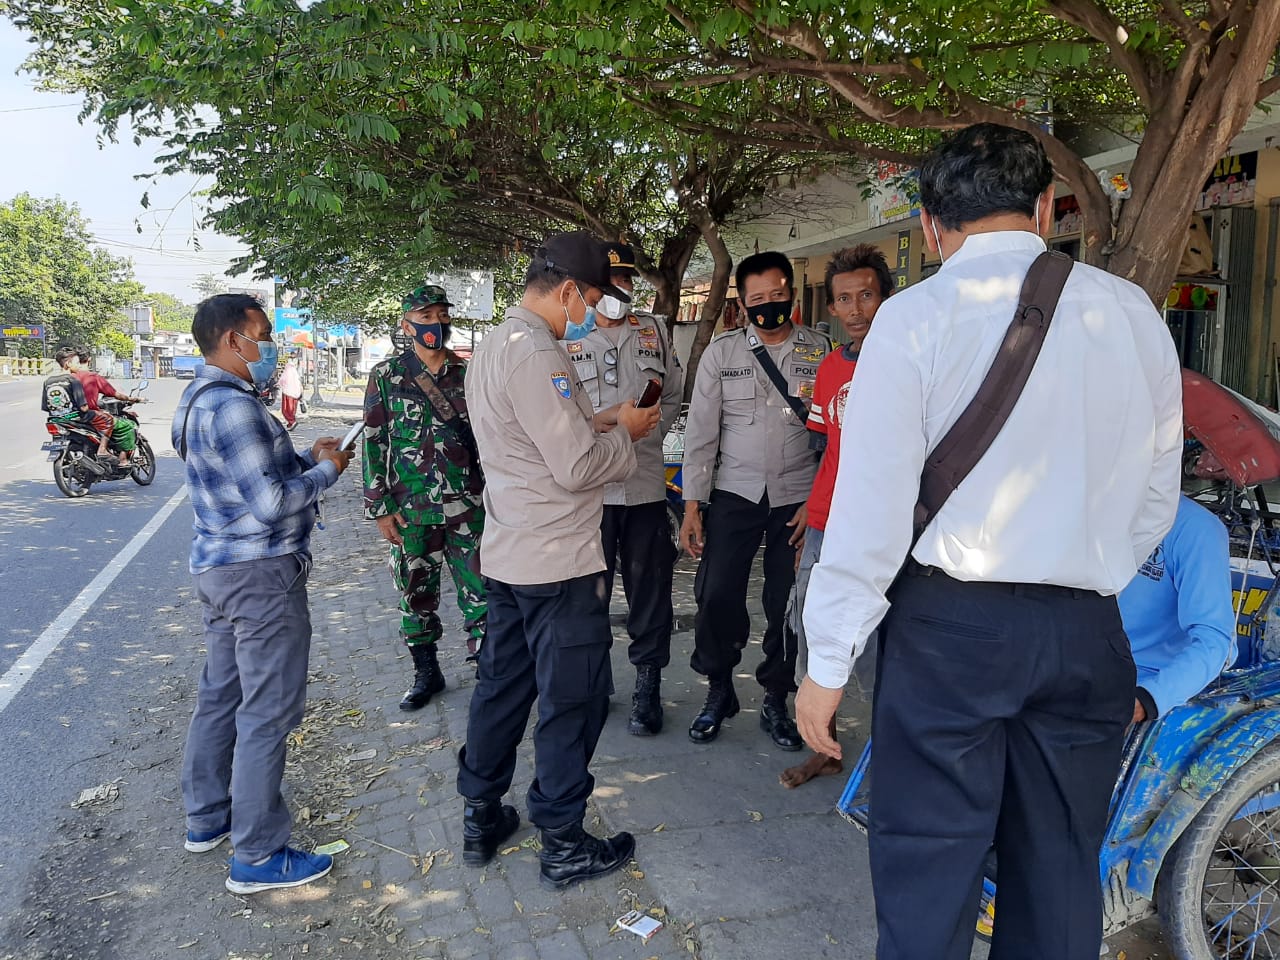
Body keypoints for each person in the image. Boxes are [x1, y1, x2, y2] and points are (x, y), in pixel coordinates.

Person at [798, 123, 1183, 960]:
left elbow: (869, 518)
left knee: (931, 872)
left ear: (931, 226)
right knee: (1058, 874)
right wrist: (1086, 561)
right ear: (1047, 207)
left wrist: (825, 666)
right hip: (1087, 630)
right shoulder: (1132, 314)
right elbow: (1159, 498)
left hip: (950, 633)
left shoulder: (914, 319)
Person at [455, 231, 660, 889]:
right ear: (571, 289)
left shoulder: (495, 343)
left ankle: (481, 814)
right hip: (560, 563)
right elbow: (573, 466)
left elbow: (539, 434)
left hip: (512, 553)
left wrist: (600, 418)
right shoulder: (538, 352)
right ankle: (565, 842)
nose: (592, 311)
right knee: (575, 698)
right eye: (592, 297)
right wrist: (625, 435)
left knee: (501, 688)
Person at [173, 293, 352, 894]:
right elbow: (272, 502)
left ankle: (207, 818)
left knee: (221, 693)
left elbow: (249, 474)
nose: (269, 346)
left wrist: (306, 455)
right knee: (267, 712)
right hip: (260, 578)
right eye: (262, 334)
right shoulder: (234, 408)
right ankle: (258, 854)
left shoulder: (199, 399)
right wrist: (327, 473)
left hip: (219, 571)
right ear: (231, 340)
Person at [679, 250, 831, 749]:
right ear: (742, 304)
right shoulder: (722, 354)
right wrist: (693, 505)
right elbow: (701, 433)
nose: (769, 305)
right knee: (717, 594)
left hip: (796, 499)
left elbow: (834, 436)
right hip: (734, 493)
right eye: (757, 299)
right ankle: (719, 689)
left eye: (778, 295)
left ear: (791, 293)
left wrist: (818, 507)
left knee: (788, 602)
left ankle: (775, 698)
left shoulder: (821, 350)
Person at [779, 243, 892, 789]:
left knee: (881, 642)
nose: (855, 309)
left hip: (887, 527)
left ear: (884, 296)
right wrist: (811, 511)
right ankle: (822, 746)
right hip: (828, 521)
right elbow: (828, 449)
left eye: (866, 295)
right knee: (810, 624)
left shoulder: (905, 362)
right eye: (843, 299)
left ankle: (888, 751)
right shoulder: (828, 368)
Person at [568, 242, 682, 736]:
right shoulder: (566, 337)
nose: (621, 291)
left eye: (628, 281)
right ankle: (593, 687)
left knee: (650, 593)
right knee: (587, 597)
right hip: (591, 493)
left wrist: (651, 432)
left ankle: (648, 686)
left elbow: (673, 393)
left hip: (644, 489)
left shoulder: (654, 330)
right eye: (612, 282)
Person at [363, 284, 486, 712]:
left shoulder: (471, 374)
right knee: (415, 594)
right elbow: (375, 443)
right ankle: (426, 672)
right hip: (412, 508)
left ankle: (487, 675)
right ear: (407, 324)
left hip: (469, 506)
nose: (435, 324)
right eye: (426, 316)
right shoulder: (386, 375)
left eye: (440, 315)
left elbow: (490, 440)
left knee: (482, 591)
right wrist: (380, 507)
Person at [1120, 495, 1236, 722]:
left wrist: (1149, 698)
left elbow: (1215, 641)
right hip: (1065, 675)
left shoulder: (1195, 528)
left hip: (1137, 684)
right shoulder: (1086, 508)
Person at [42, 346, 114, 459]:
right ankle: (102, 449)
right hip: (76, 417)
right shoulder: (73, 380)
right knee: (108, 418)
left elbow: (46, 407)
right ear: (68, 364)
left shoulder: (48, 381)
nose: (79, 365)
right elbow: (83, 407)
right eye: (76, 362)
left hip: (55, 418)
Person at [72, 347, 141, 465]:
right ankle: (122, 459)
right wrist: (131, 399)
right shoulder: (93, 377)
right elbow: (115, 394)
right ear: (89, 360)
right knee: (128, 425)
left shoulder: (69, 377)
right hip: (91, 415)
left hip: (72, 416)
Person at [279, 355, 303, 429]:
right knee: (292, 409)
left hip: (287, 392)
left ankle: (292, 421)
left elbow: (283, 380)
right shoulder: (295, 372)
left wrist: (277, 384)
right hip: (296, 393)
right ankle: (291, 423)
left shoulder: (287, 370)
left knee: (286, 410)